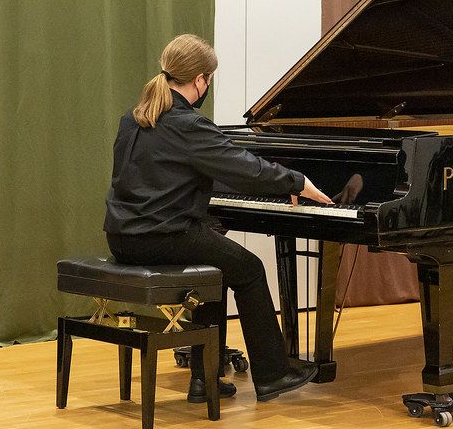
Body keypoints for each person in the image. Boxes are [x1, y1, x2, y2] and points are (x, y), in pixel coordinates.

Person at [104, 34, 333, 403]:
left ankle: (203, 379)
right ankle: (273, 374)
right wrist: (296, 181)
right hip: (163, 237)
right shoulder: (187, 124)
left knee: (216, 262)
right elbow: (244, 168)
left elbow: (155, 180)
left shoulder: (132, 119)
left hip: (122, 236)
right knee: (249, 268)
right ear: (200, 80)